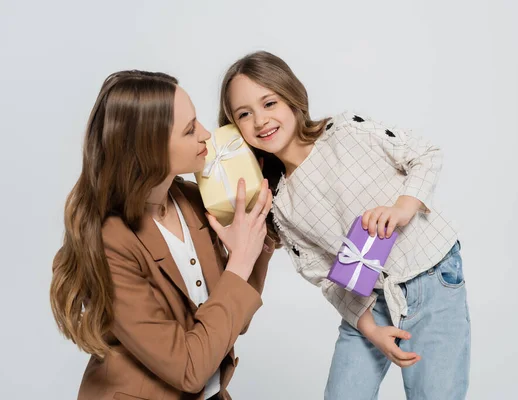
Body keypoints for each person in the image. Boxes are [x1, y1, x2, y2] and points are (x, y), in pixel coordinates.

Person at [218, 51, 470, 399]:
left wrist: (402, 207)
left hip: (431, 276)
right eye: (244, 114)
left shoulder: (345, 132)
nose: (260, 120)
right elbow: (324, 274)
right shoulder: (280, 203)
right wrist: (369, 328)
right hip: (367, 302)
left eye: (269, 102)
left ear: (292, 97)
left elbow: (424, 154)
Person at [50, 70, 276, 400]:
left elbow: (231, 322)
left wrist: (256, 240)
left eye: (197, 121)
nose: (205, 135)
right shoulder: (109, 244)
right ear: (149, 150)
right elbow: (189, 369)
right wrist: (239, 262)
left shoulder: (192, 200)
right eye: (189, 130)